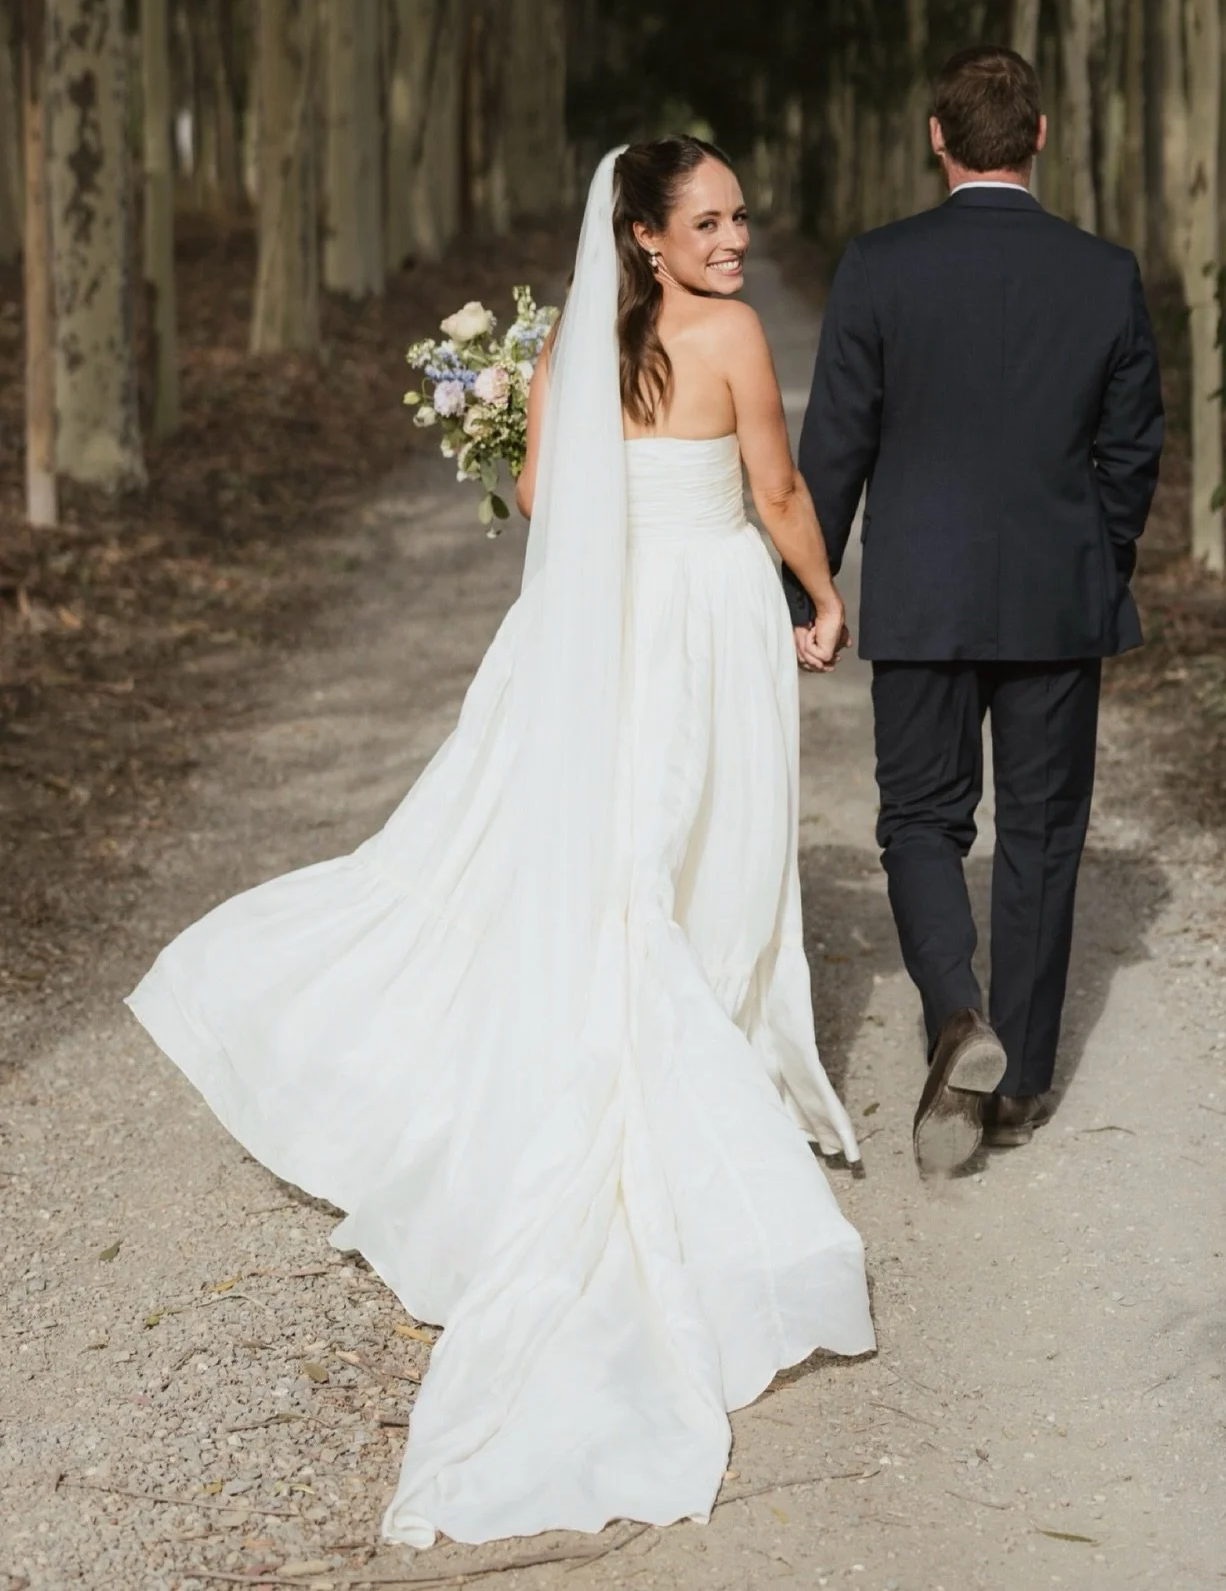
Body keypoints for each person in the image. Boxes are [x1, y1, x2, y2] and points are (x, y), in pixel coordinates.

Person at [127, 139, 874, 1548]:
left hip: (594, 628)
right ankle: (697, 1052)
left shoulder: (565, 351)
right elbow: (776, 494)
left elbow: (540, 500)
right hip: (707, 617)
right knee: (696, 839)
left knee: (586, 846)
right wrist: (822, 598)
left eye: (741, 218)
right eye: (708, 221)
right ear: (645, 239)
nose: (735, 236)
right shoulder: (729, 336)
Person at [787, 44, 1164, 1176]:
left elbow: (835, 444)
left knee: (920, 822)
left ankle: (956, 1014)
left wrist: (811, 589)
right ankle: (1023, 1087)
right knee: (1042, 836)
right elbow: (1133, 450)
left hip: (921, 595)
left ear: (938, 141)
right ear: (1041, 137)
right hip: (1058, 597)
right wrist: (1094, 559)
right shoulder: (1105, 273)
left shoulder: (879, 266)